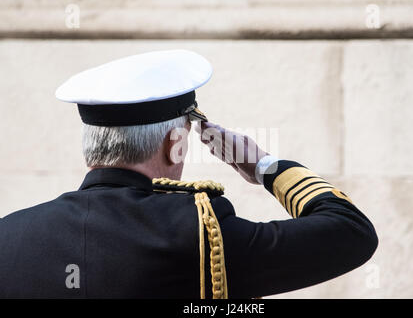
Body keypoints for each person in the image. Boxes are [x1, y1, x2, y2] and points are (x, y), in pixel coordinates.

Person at [0, 50, 377, 298]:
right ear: (173, 143)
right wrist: (265, 166)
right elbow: (350, 233)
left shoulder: (9, 235)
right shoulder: (193, 233)